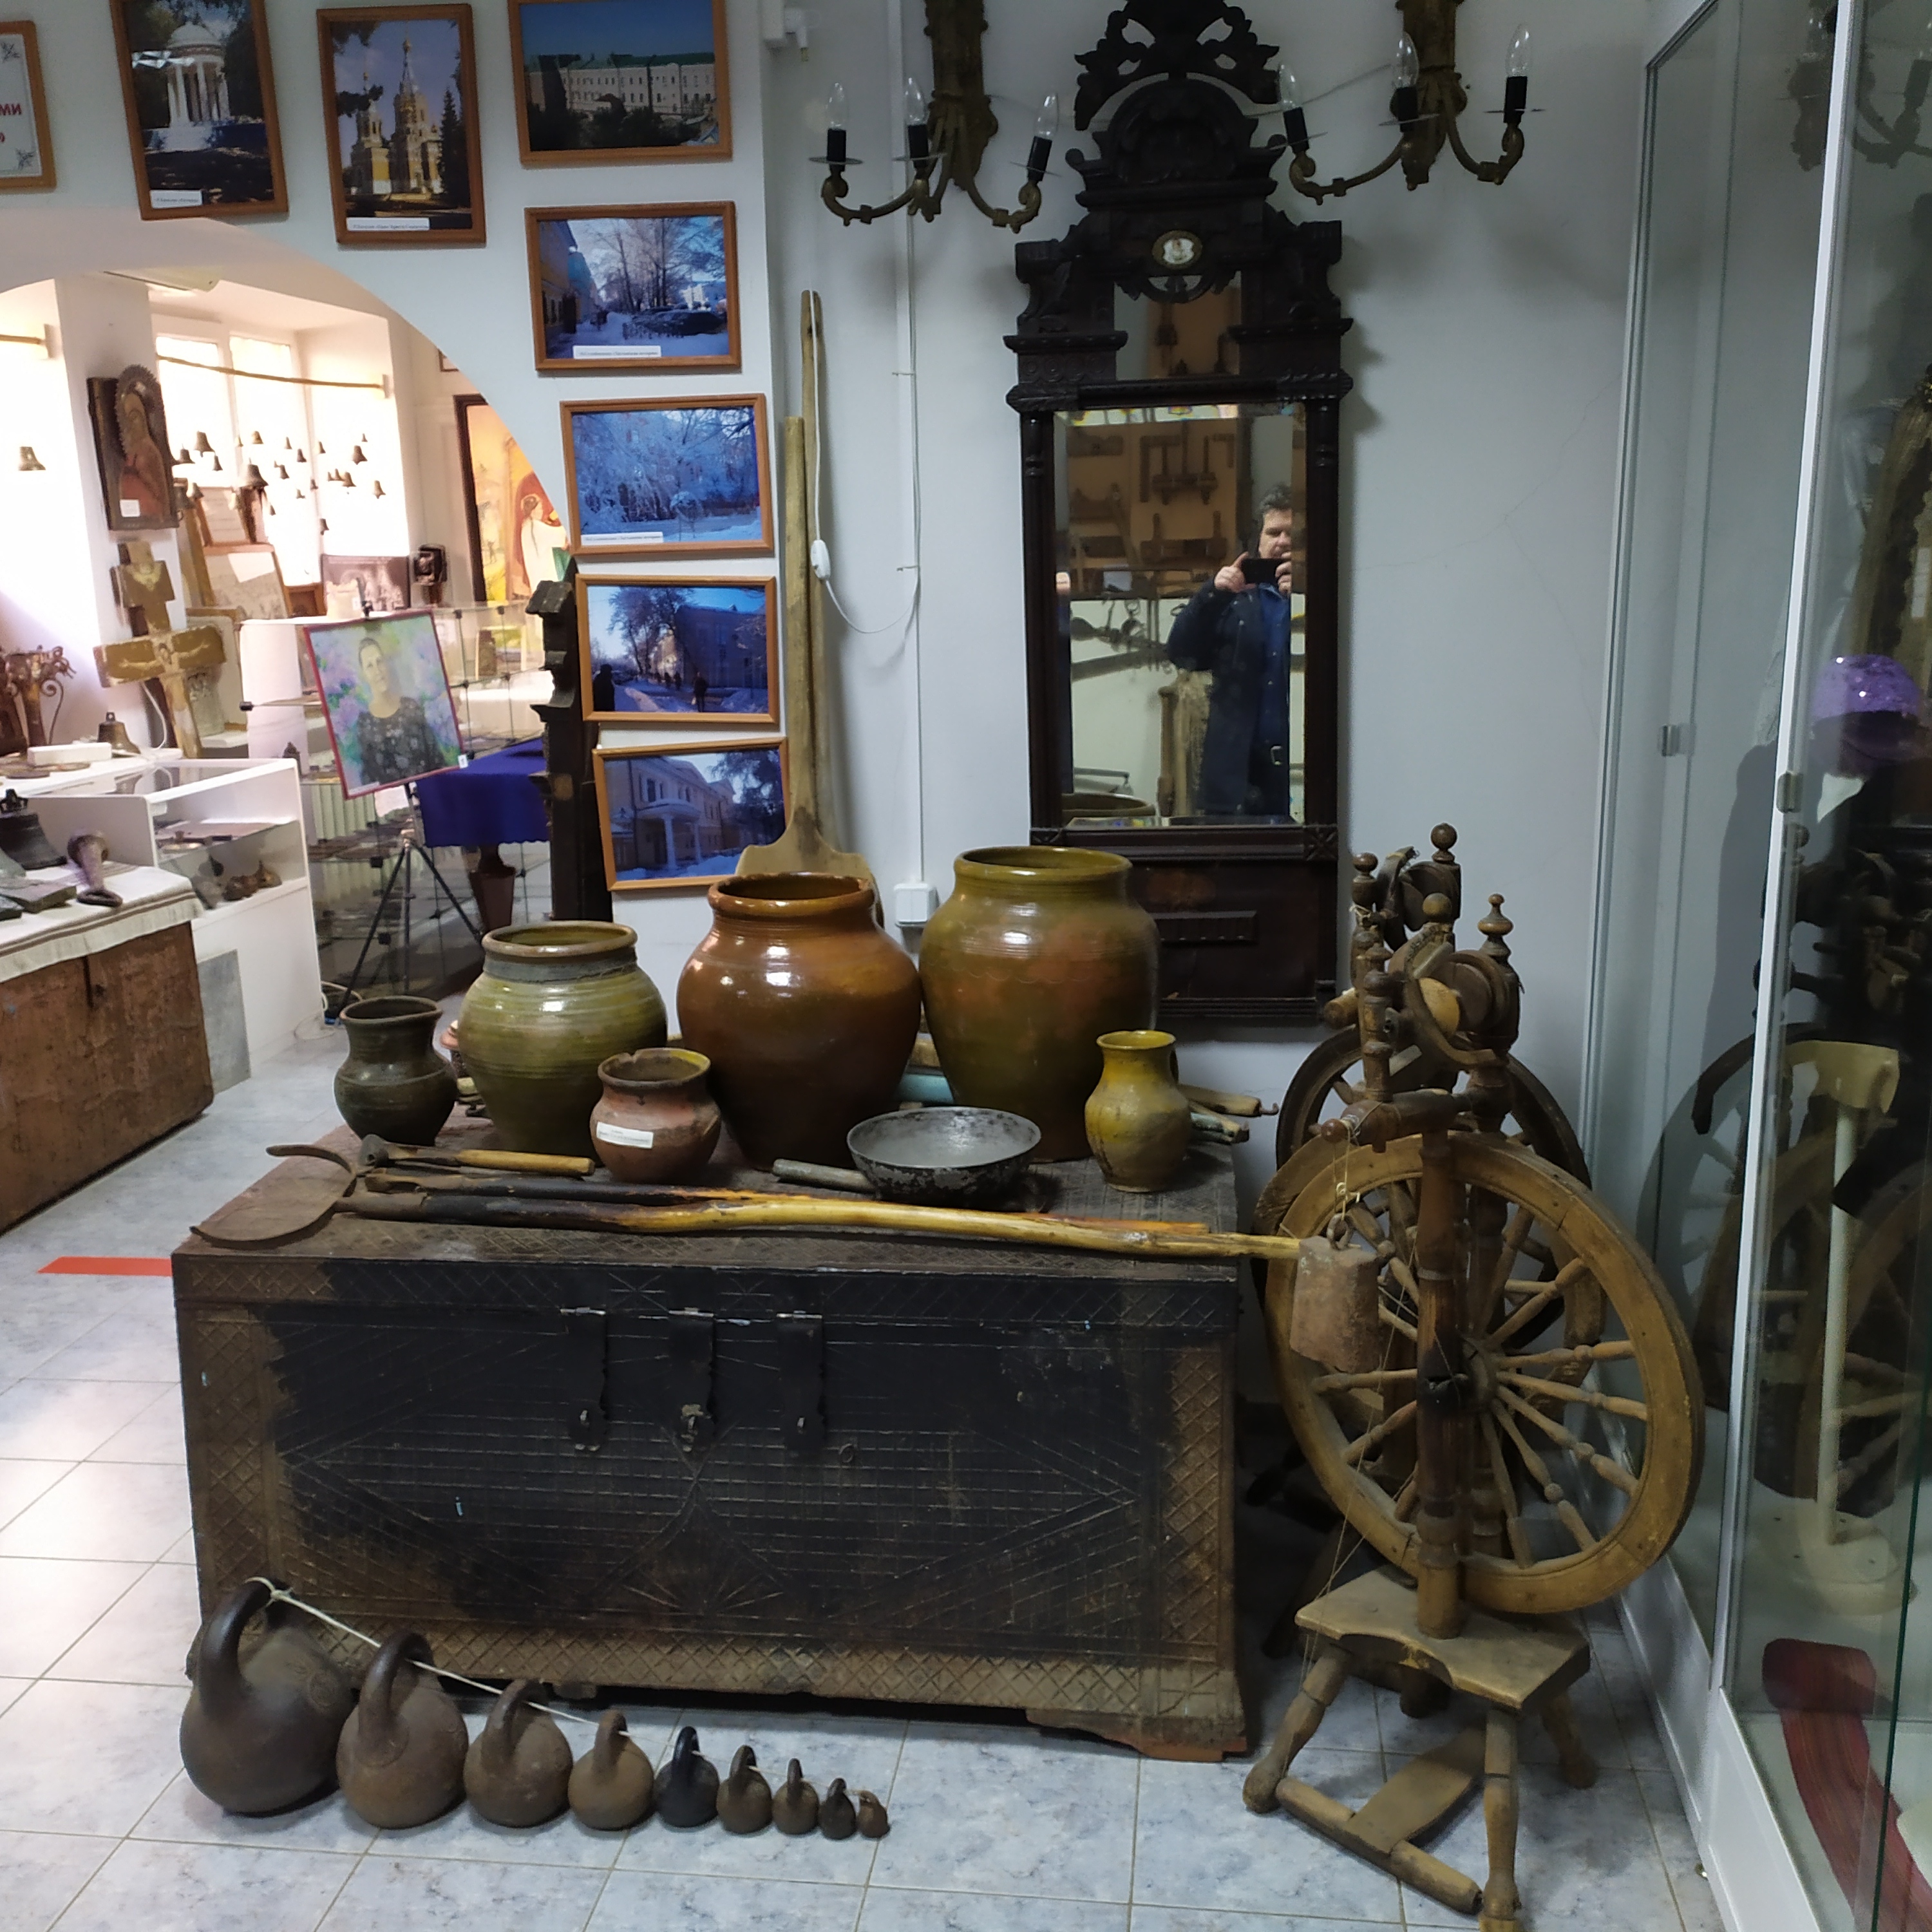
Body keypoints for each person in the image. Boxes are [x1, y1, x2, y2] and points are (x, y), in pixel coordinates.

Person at [1164, 486, 1298, 817]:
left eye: (1292, 534)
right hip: (1233, 775)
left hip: (1301, 767)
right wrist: (1212, 594)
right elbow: (1181, 653)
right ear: (1258, 541)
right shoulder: (1232, 600)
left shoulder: (1325, 595)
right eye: (1274, 533)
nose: (1283, 541)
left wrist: (1308, 594)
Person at [352, 632, 447, 788]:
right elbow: (368, 781)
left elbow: (437, 761)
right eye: (370, 666)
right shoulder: (364, 724)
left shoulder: (411, 707)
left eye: (379, 662)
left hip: (429, 792)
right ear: (364, 674)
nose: (378, 671)